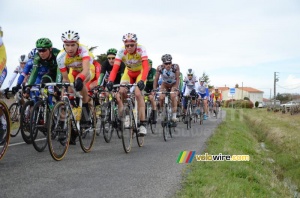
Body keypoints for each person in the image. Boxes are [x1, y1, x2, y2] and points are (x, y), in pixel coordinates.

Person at [106, 33, 149, 135]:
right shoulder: (121, 51)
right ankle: (127, 115)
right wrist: (110, 81)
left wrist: (142, 80)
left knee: (138, 94)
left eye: (132, 45)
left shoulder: (141, 49)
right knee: (122, 91)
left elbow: (146, 67)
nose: (129, 47)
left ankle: (143, 124)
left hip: (140, 73)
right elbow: (115, 68)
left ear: (136, 44)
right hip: (128, 73)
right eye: (127, 45)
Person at [57, 30, 97, 128]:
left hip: (87, 70)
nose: (70, 48)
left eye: (72, 45)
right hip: (74, 71)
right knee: (66, 86)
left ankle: (85, 106)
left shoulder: (83, 50)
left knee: (80, 80)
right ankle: (63, 119)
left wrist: (79, 79)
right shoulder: (60, 57)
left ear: (77, 44)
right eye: (67, 45)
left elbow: (86, 70)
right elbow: (65, 78)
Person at [153, 54, 180, 122]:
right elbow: (156, 79)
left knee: (173, 96)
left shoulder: (175, 67)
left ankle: (174, 115)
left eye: (169, 63)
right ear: (163, 64)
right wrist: (155, 89)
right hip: (165, 84)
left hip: (173, 83)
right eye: (166, 63)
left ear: (171, 63)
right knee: (161, 97)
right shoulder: (160, 68)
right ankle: (162, 111)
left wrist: (176, 88)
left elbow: (177, 79)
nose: (168, 65)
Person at [144, 59, 157, 124]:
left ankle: (154, 116)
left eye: (149, 65)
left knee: (151, 98)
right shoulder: (143, 71)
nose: (147, 67)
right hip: (145, 87)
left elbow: (155, 81)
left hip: (152, 86)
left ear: (151, 66)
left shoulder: (154, 71)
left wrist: (153, 90)